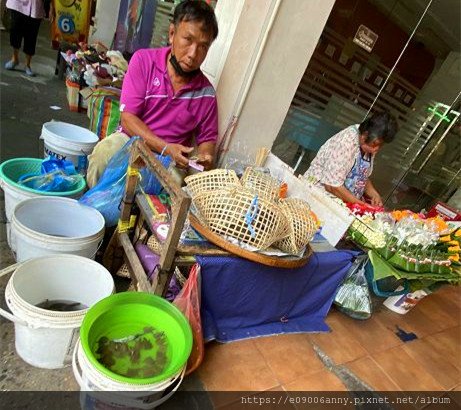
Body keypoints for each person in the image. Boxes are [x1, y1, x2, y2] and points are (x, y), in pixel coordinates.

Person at [87, 0, 219, 188]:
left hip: (171, 161)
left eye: (203, 46)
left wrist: (205, 158)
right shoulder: (144, 61)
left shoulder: (206, 94)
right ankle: (93, 210)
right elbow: (128, 118)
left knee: (174, 183)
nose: (193, 53)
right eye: (188, 40)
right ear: (172, 34)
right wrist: (165, 147)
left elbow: (207, 140)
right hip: (130, 141)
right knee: (103, 155)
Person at [303, 111, 398, 206]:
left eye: (380, 145)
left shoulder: (369, 146)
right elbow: (331, 186)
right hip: (317, 198)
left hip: (343, 202)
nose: (376, 149)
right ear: (364, 135)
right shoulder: (345, 142)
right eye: (375, 144)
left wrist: (374, 194)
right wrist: (363, 206)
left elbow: (361, 176)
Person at [4, 0, 50, 77]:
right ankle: (14, 59)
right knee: (15, 30)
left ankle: (27, 65)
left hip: (35, 5)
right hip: (17, 4)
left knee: (31, 35)